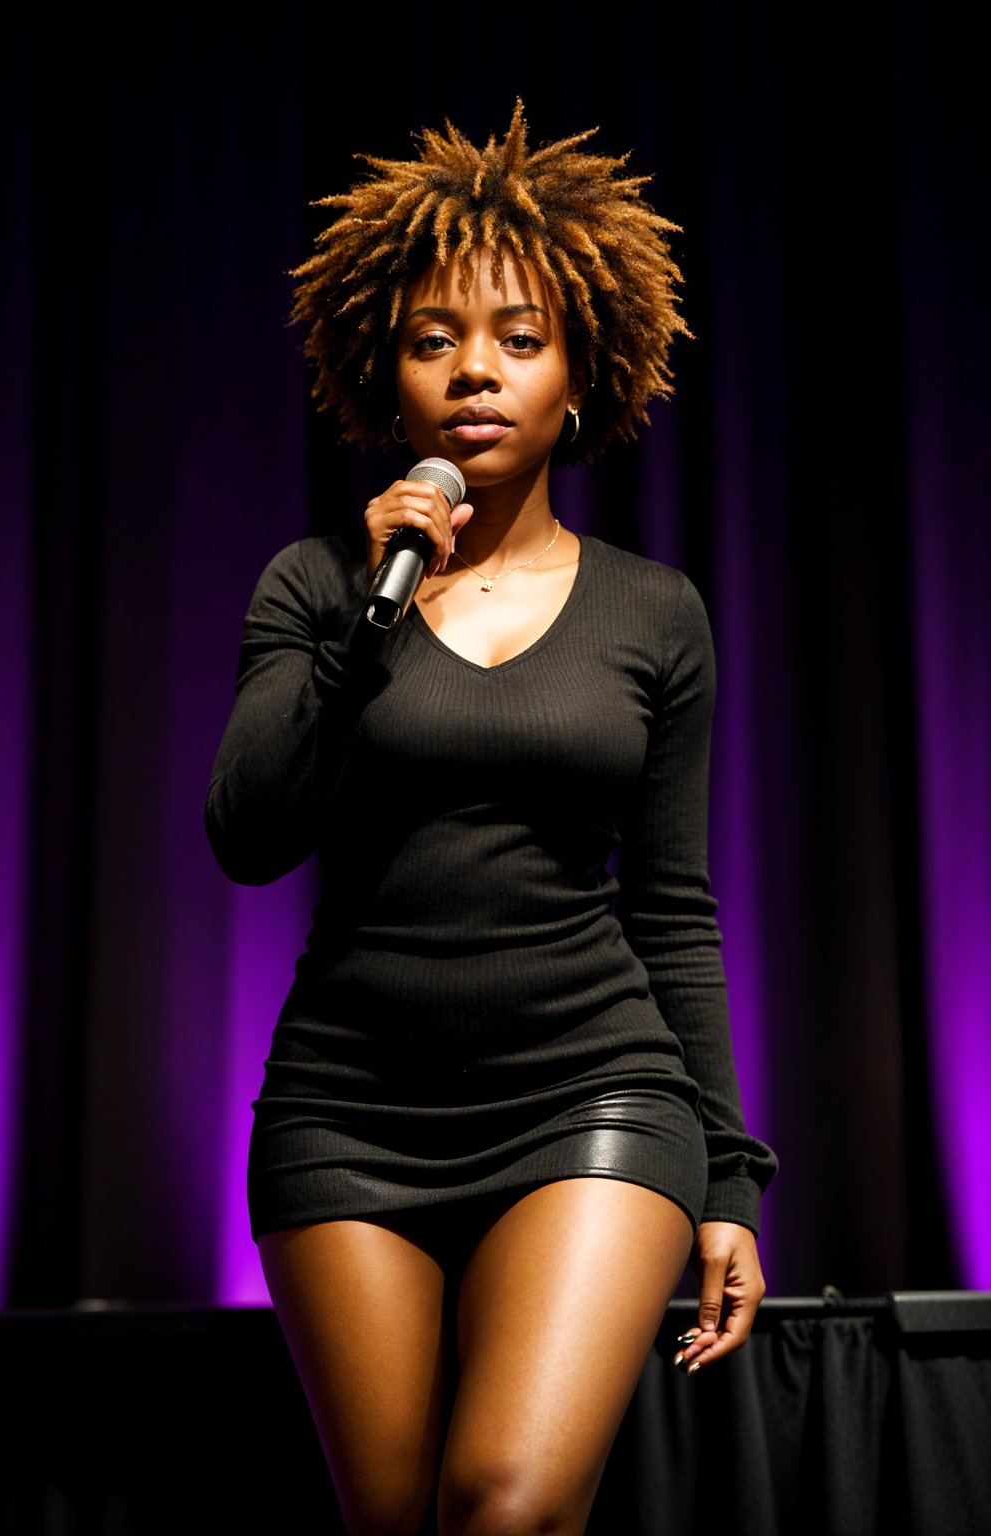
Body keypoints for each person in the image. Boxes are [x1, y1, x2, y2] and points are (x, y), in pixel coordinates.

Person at [205, 99, 777, 1536]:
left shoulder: (655, 612)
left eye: (521, 338)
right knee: (401, 1522)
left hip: (592, 1087)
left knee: (506, 1504)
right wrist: (372, 610)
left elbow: (674, 907)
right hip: (348, 1109)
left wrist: (730, 1179)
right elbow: (247, 834)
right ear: (380, 375)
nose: (477, 370)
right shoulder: (320, 587)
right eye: (433, 338)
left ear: (579, 374)